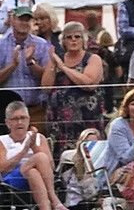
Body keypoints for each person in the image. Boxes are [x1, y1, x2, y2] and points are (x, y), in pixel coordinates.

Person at [40, 21, 106, 154]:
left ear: (84, 39)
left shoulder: (93, 59)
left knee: (88, 156)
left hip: (86, 119)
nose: (73, 40)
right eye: (69, 37)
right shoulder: (57, 59)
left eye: (77, 36)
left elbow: (88, 84)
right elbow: (46, 87)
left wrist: (63, 68)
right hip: (60, 123)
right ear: (63, 41)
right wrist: (53, 64)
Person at [0, 3, 53, 123]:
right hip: (6, 111)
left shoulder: (42, 45)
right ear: (12, 20)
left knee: (37, 140)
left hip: (35, 109)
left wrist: (30, 62)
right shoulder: (1, 45)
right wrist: (12, 65)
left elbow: (47, 81)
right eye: (21, 19)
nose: (24, 23)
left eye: (27, 20)